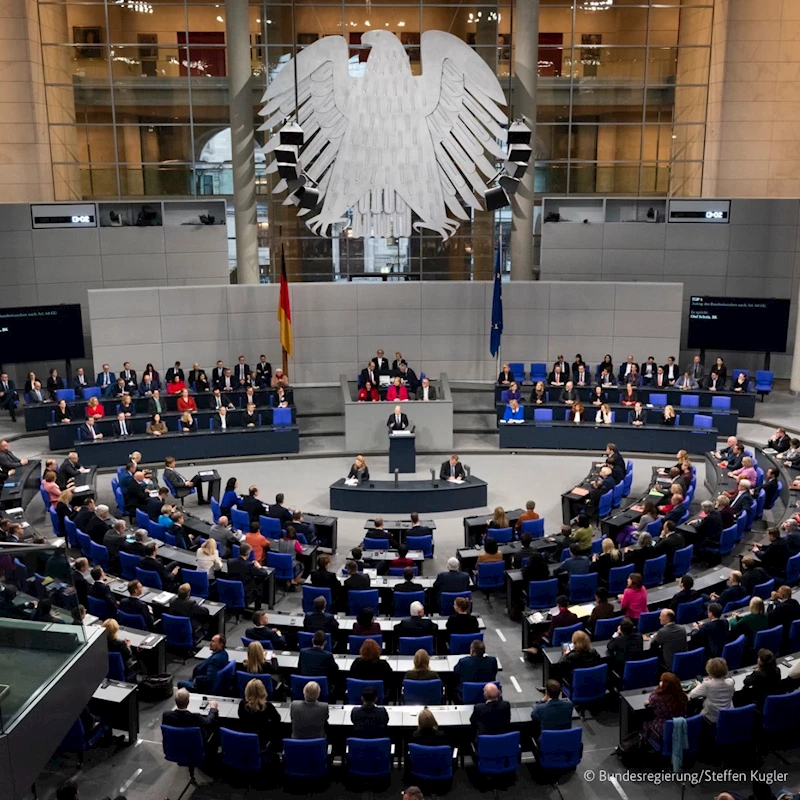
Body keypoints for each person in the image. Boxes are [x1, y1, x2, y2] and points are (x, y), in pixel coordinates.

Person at [641, 672, 687, 748]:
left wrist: (658, 688)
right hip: (680, 726)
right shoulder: (683, 696)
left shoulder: (656, 699)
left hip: (663, 729)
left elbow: (651, 698)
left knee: (645, 722)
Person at [688, 656, 734, 724]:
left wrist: (699, 685)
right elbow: (724, 680)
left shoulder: (707, 685)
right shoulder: (731, 682)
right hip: (728, 715)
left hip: (711, 719)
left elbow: (691, 695)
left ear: (709, 671)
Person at [238, 677, 281, 751]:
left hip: (246, 740)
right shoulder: (267, 706)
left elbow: (240, 716)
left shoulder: (242, 704)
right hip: (262, 741)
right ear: (263, 691)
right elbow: (277, 719)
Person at [227, 542, 268, 608]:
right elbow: (264, 573)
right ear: (248, 554)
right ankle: (257, 609)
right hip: (245, 590)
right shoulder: (249, 565)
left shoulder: (229, 561)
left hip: (232, 587)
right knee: (260, 584)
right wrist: (259, 566)